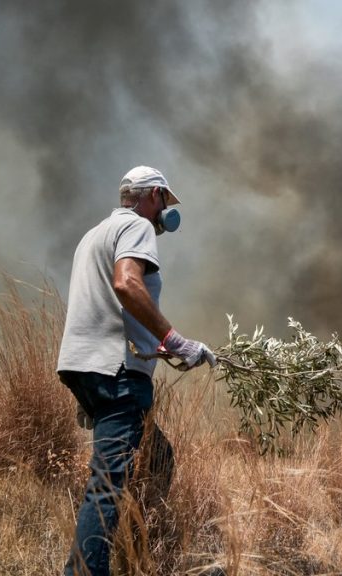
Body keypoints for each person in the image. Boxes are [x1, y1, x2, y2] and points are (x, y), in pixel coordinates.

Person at [57, 165, 216, 576]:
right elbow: (127, 285)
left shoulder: (94, 235)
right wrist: (177, 339)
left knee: (159, 456)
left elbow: (107, 308)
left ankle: (143, 549)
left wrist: (155, 347)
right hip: (115, 374)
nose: (166, 211)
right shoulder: (138, 227)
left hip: (86, 368)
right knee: (107, 484)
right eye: (165, 200)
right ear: (153, 196)